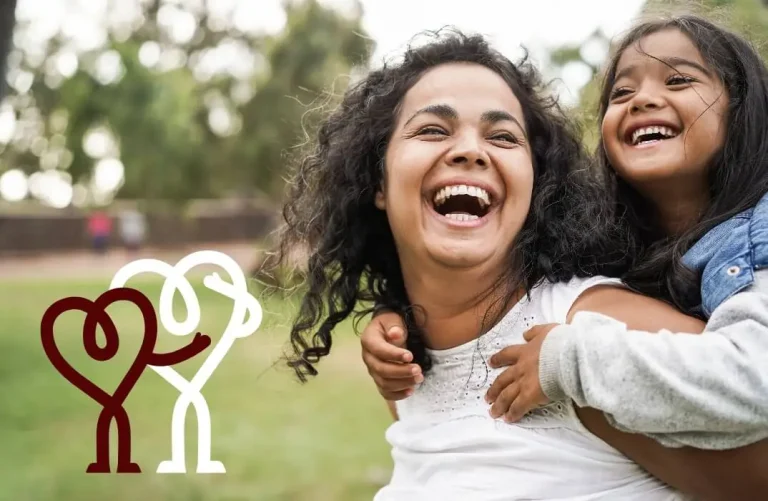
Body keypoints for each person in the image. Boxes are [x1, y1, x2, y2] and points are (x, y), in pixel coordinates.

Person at [269, 29, 764, 500]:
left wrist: (573, 366)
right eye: (433, 129)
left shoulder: (593, 334)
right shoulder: (406, 363)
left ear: (535, 186)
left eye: (503, 137)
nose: (469, 150)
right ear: (377, 181)